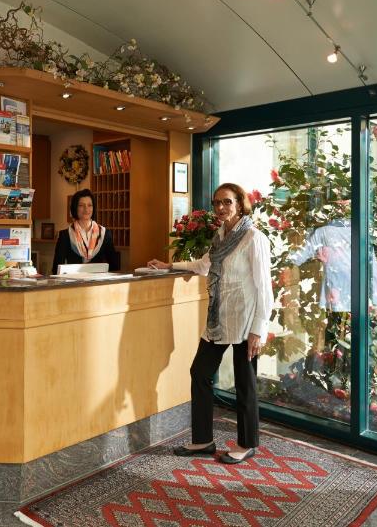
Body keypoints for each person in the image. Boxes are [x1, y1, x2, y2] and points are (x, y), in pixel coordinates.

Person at [147, 183, 273, 464]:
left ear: (239, 204)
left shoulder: (254, 238)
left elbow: (265, 288)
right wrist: (170, 266)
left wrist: (259, 330)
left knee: (245, 383)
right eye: (217, 202)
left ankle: (246, 444)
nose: (221, 207)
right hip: (218, 319)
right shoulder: (220, 236)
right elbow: (204, 265)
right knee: (200, 372)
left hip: (245, 319)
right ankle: (203, 440)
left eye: (227, 202)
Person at [52, 189, 120, 275]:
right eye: (81, 205)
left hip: (98, 282)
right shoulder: (65, 235)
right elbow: (56, 269)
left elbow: (114, 267)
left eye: (89, 205)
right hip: (74, 282)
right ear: (75, 208)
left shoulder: (105, 234)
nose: (86, 209)